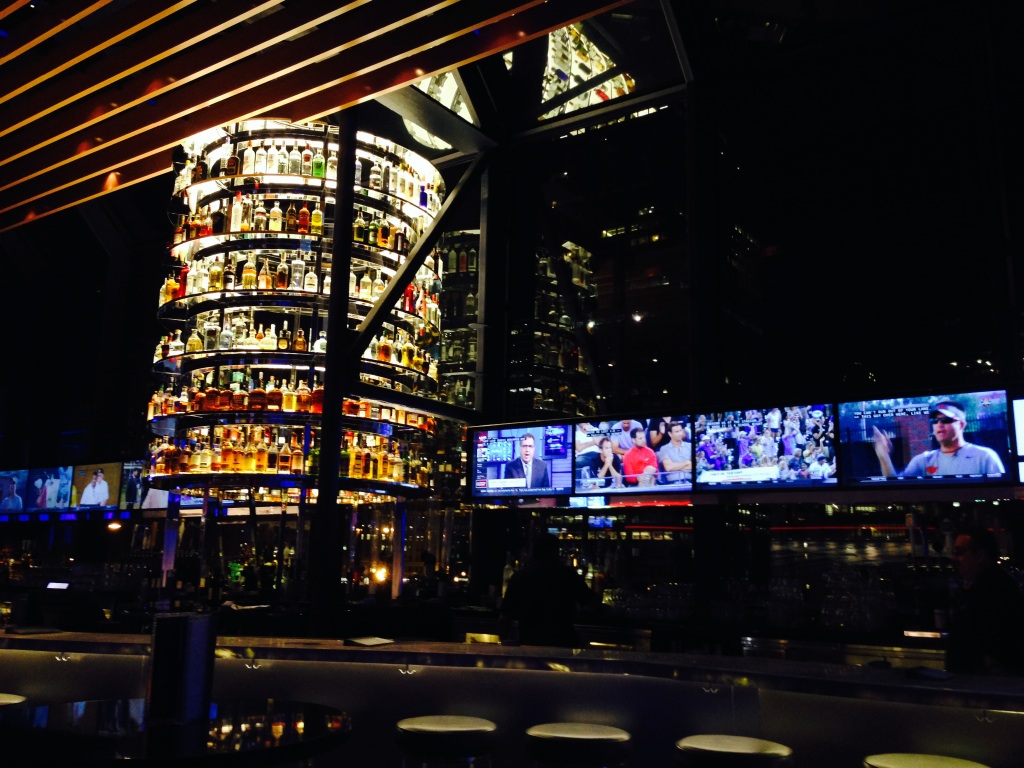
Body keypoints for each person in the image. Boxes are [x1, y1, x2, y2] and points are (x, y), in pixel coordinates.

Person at [945, 526, 1024, 675]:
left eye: (959, 552)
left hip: (980, 680)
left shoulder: (993, 588)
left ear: (980, 555)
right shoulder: (990, 583)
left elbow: (997, 644)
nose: (954, 559)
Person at [500, 533, 595, 647]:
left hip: (529, 643)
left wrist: (504, 642)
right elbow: (591, 603)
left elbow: (505, 616)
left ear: (533, 551)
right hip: (562, 643)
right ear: (555, 552)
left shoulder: (520, 576)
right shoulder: (568, 575)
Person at [872, 401, 1006, 477]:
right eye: (935, 421)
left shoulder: (985, 457)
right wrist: (883, 456)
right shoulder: (922, 461)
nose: (939, 424)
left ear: (961, 425)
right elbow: (897, 488)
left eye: (946, 420)